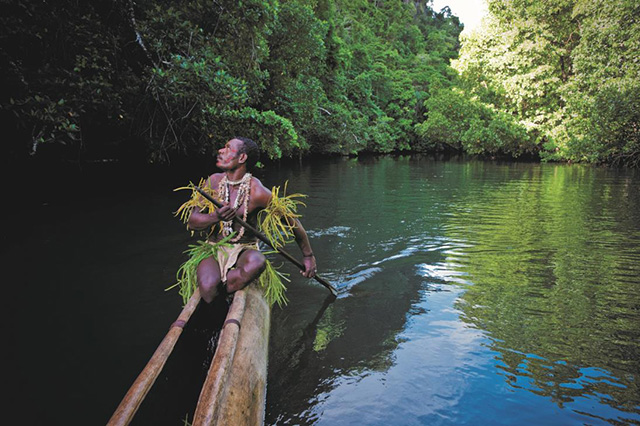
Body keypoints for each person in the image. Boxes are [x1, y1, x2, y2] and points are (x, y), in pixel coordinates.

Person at [186, 137, 317, 304]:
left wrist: (308, 256)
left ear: (242, 158)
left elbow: (293, 223)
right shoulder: (212, 182)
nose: (220, 151)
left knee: (257, 261)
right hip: (213, 248)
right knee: (208, 287)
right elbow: (192, 221)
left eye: (227, 148)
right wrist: (215, 216)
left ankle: (227, 287)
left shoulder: (259, 192)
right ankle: (220, 292)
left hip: (244, 250)